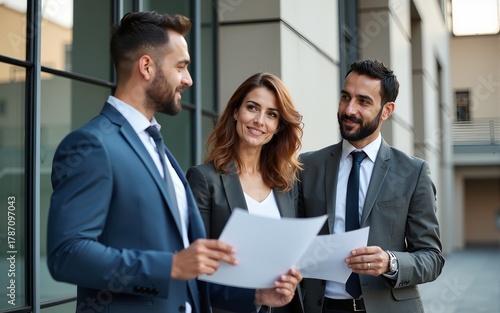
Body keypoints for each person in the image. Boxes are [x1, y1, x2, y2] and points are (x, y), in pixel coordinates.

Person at [47, 11, 301, 313]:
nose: (188, 80)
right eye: (181, 67)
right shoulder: (92, 144)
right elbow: (67, 254)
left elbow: (191, 276)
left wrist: (256, 296)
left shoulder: (161, 153)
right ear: (146, 66)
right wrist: (169, 265)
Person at [297, 59, 444, 313]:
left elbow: (432, 258)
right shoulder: (308, 166)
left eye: (363, 101)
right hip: (321, 307)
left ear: (386, 110)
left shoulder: (413, 172)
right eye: (345, 97)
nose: (349, 109)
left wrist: (391, 262)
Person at [186, 72, 305, 313]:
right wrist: (256, 296)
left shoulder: (286, 184)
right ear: (235, 112)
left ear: (278, 127)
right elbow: (195, 266)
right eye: (252, 108)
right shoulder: (204, 179)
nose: (259, 120)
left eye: (271, 114)